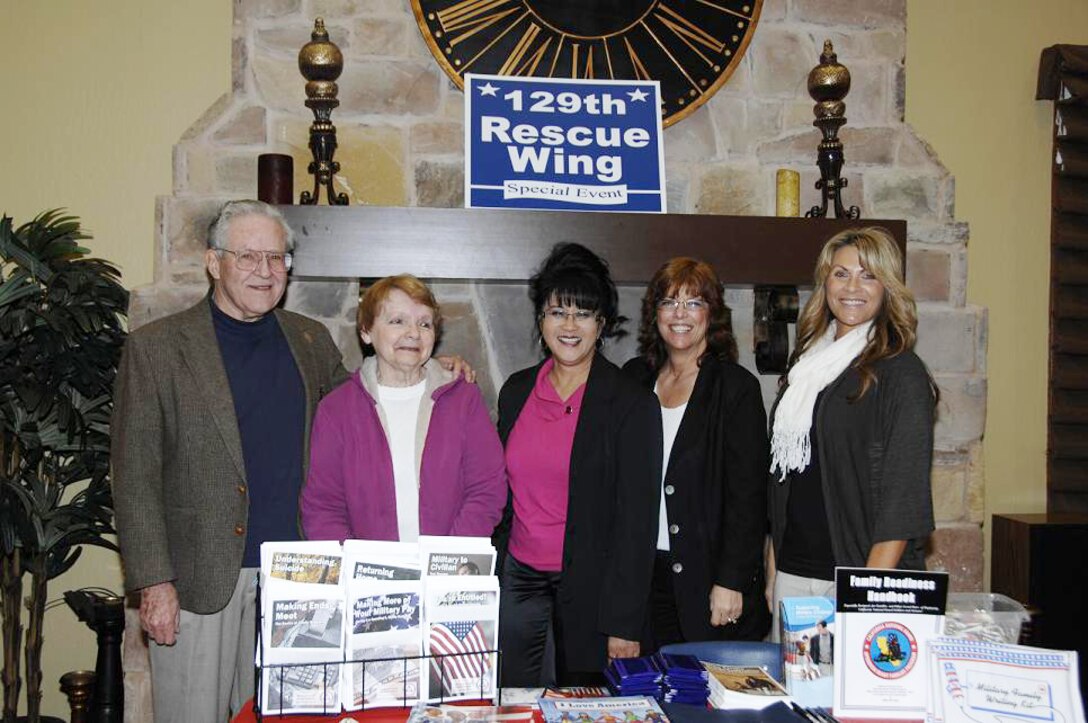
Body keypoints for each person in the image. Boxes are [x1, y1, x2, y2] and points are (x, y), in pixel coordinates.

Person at [112, 200, 348, 722]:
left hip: (298, 579)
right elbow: (134, 478)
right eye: (248, 257)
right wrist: (154, 584)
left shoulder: (312, 340)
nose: (265, 272)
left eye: (277, 257)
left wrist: (428, 368)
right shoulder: (156, 348)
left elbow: (362, 416)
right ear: (214, 262)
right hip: (199, 582)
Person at [495, 243, 661, 686]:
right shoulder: (515, 391)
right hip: (519, 583)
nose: (569, 326)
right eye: (557, 312)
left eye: (583, 314)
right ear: (540, 320)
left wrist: (624, 622)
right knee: (514, 701)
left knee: (585, 707)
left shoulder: (631, 402)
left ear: (602, 323)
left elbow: (637, 521)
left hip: (594, 590)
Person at [767, 227, 937, 634]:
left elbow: (904, 498)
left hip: (856, 575)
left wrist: (861, 596)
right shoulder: (807, 365)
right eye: (841, 274)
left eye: (868, 275)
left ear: (887, 286)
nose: (852, 287)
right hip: (794, 571)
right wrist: (773, 566)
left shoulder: (900, 372)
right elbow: (782, 477)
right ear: (825, 281)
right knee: (790, 696)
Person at [623, 258, 771, 650]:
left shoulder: (736, 389)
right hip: (642, 577)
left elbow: (749, 497)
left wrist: (731, 581)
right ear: (654, 313)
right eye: (669, 302)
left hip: (708, 582)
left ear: (712, 314)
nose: (680, 314)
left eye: (694, 303)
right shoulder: (634, 379)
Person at [301, 274, 506, 542]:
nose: (413, 333)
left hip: (449, 573)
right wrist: (358, 568)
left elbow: (487, 489)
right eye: (398, 321)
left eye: (424, 323)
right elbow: (323, 507)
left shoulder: (463, 398)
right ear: (366, 330)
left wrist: (447, 559)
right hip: (368, 577)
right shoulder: (336, 410)